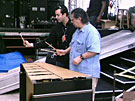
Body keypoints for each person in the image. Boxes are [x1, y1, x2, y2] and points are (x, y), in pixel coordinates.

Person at [57, 8, 101, 101]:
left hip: (88, 74)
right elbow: (74, 45)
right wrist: (65, 51)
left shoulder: (92, 33)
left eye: (73, 19)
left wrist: (80, 57)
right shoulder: (77, 31)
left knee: (86, 98)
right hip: (76, 72)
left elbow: (94, 50)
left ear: (79, 19)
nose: (72, 22)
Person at [23, 5, 76, 69]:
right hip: (60, 59)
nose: (56, 17)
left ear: (64, 14)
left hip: (71, 59)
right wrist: (32, 45)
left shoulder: (74, 27)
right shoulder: (56, 28)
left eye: (58, 15)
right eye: (56, 15)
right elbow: (48, 41)